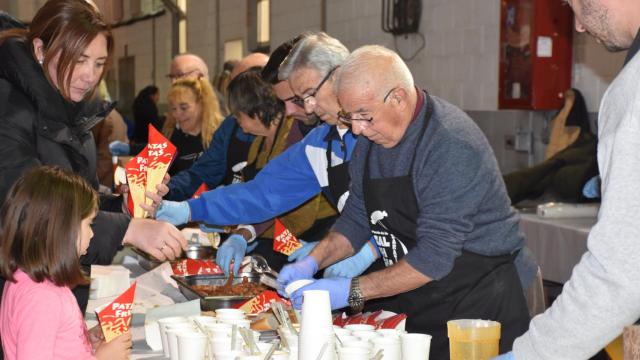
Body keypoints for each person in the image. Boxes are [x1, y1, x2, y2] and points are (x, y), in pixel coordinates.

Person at [276, 45, 531, 359]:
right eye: (349, 117)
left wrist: (351, 291)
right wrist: (314, 260)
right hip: (424, 297)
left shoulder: (448, 143)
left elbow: (435, 256)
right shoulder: (371, 139)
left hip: (480, 303)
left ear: (398, 97)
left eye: (364, 116)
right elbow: (357, 216)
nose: (356, 129)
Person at [0, 0, 186, 315]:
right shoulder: (8, 109)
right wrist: (128, 229)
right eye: (79, 59)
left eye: (99, 63)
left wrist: (126, 203)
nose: (89, 76)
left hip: (59, 294)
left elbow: (78, 196)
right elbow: (24, 210)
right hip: (19, 300)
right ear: (41, 50)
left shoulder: (71, 110)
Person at [155, 32, 379, 279]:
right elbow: (262, 193)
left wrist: (371, 249)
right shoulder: (320, 143)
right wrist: (190, 209)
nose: (304, 108)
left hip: (412, 269)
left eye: (307, 95)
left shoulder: (381, 129)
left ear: (339, 76)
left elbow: (415, 207)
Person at [496, 1, 640, 359]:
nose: (576, 26)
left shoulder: (634, 90)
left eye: (576, 5)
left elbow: (621, 274)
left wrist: (529, 355)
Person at [210, 67, 336, 274]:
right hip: (273, 235)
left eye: (239, 117)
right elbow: (256, 194)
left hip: (313, 236)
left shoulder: (295, 136)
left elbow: (289, 205)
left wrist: (246, 231)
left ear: (256, 112)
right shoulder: (256, 146)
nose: (240, 127)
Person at [0, 166, 132, 360]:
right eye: (89, 224)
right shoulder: (42, 297)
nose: (92, 233)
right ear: (63, 230)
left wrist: (83, 340)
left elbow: (51, 344)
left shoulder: (29, 279)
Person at [162, 77, 223, 175]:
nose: (177, 114)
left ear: (202, 104)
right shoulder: (171, 137)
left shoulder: (221, 136)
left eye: (184, 108)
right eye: (173, 108)